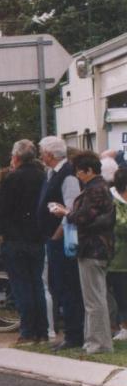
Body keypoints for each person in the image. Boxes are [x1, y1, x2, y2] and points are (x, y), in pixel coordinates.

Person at [51, 151, 115, 354]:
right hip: (95, 248)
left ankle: (99, 344)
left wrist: (65, 213)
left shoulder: (95, 189)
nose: (77, 175)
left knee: (94, 300)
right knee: (94, 298)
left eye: (79, 171)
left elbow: (84, 217)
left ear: (88, 170)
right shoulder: (98, 187)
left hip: (92, 248)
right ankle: (93, 341)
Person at [0, 139, 49, 345]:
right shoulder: (42, 177)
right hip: (36, 238)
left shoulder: (11, 179)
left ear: (16, 157)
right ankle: (42, 331)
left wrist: (1, 232)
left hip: (15, 238)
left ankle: (27, 331)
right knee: (37, 283)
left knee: (21, 285)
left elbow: (1, 211)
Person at [37, 136, 84, 352]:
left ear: (50, 154)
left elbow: (71, 208)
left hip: (64, 239)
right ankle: (71, 331)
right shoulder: (52, 174)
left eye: (42, 152)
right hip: (53, 238)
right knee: (59, 286)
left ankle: (75, 333)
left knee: (68, 286)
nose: (40, 156)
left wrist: (58, 233)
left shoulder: (67, 176)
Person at [107, 168, 127, 342]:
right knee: (120, 294)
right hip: (117, 258)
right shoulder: (113, 201)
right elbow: (120, 226)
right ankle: (121, 327)